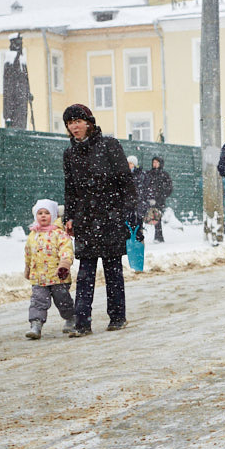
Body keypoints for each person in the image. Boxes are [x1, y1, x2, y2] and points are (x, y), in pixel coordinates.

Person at [62, 103, 138, 335]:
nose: (74, 127)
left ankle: (117, 316)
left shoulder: (109, 146)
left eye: (78, 121)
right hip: (85, 218)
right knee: (85, 272)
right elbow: (70, 188)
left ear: (89, 122)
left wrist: (128, 211)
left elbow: (125, 182)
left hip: (110, 215)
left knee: (112, 268)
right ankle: (82, 323)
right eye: (70, 123)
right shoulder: (70, 153)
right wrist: (70, 216)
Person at [23, 198, 75, 339]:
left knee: (63, 301)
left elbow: (66, 250)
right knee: (38, 302)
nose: (43, 216)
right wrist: (28, 268)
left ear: (53, 215)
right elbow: (28, 252)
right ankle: (36, 325)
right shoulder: (33, 235)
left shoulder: (59, 234)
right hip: (39, 278)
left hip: (58, 276)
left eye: (47, 213)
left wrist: (64, 264)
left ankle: (71, 318)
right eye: (40, 213)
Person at [141, 156, 173, 243]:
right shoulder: (149, 173)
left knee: (157, 218)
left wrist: (160, 197)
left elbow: (169, 188)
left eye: (156, 162)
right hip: (148, 199)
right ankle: (141, 237)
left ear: (160, 164)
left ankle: (158, 237)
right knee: (144, 217)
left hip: (159, 201)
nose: (154, 164)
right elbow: (144, 186)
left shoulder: (164, 175)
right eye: (153, 162)